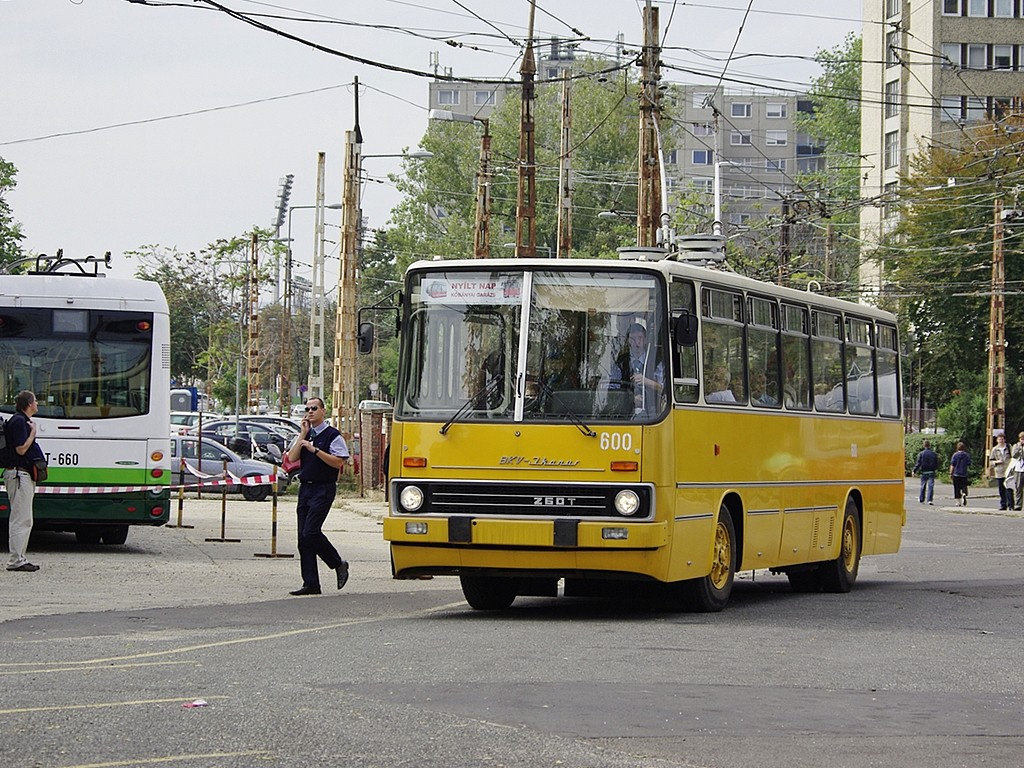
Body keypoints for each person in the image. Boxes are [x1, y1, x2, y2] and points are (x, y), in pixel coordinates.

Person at [285, 397, 350, 596]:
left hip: (323, 488)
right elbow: (292, 458)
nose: (310, 411)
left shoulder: (332, 435)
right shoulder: (306, 434)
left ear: (323, 411)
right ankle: (311, 583)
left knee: (311, 532)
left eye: (314, 408)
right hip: (305, 489)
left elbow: (338, 462)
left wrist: (316, 450)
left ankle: (337, 563)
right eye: (307, 409)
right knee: (303, 539)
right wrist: (303, 435)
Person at [4, 391, 45, 572]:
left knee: (23, 518)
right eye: (35, 401)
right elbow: (21, 449)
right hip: (19, 475)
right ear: (29, 404)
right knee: (21, 519)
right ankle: (16, 560)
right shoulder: (20, 422)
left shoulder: (18, 420)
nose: (37, 403)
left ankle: (20, 557)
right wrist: (33, 433)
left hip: (20, 475)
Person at [611, 323, 665, 415]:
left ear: (645, 340)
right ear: (628, 341)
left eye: (640, 338)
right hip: (625, 413)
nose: (637, 343)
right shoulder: (621, 362)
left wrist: (645, 381)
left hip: (653, 413)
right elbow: (613, 389)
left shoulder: (656, 361)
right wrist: (630, 398)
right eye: (633, 339)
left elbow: (662, 388)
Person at [988, 432, 1012, 511]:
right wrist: (997, 462)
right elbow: (991, 461)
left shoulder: (1009, 447)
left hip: (1008, 470)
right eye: (999, 439)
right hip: (999, 471)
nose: (1001, 440)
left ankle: (1011, 504)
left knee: (1009, 487)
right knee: (1001, 489)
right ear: (997, 440)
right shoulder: (995, 449)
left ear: (1004, 440)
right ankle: (1003, 504)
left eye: (1002, 439)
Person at [912, 439, 940, 505]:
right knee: (931, 486)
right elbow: (937, 463)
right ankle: (929, 500)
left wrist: (914, 470)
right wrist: (934, 469)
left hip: (924, 472)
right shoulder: (934, 454)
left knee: (923, 485)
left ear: (923, 445)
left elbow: (918, 463)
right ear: (929, 445)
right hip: (931, 471)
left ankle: (921, 499)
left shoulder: (921, 454)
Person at [949, 441, 971, 507]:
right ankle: (964, 493)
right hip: (964, 473)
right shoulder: (967, 455)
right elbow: (969, 464)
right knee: (964, 486)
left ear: (957, 448)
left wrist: (950, 473)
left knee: (957, 488)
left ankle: (958, 501)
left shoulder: (955, 455)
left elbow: (952, 465)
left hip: (956, 473)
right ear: (964, 448)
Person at [1012, 432, 1024, 511]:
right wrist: (1020, 449)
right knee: (1018, 488)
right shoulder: (1016, 446)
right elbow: (1014, 455)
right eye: (1022, 439)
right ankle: (1018, 505)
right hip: (1019, 469)